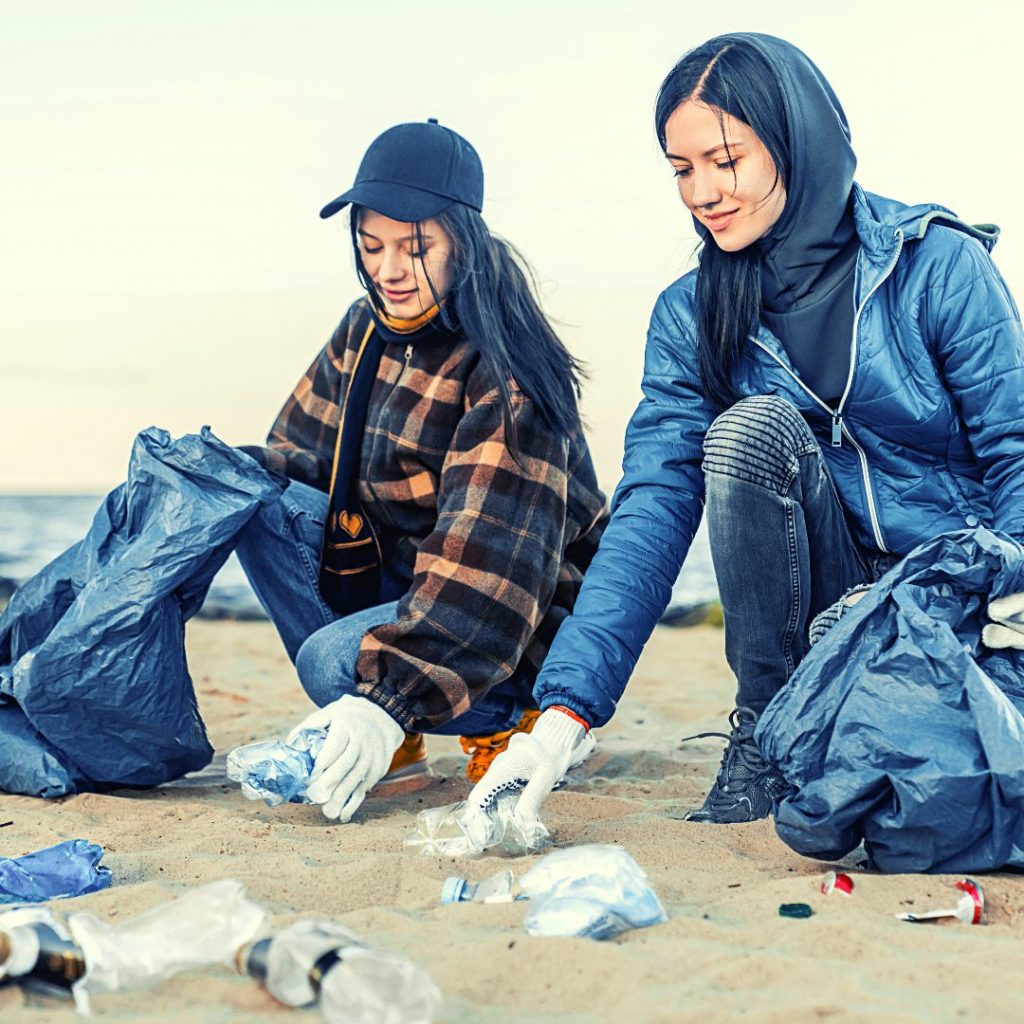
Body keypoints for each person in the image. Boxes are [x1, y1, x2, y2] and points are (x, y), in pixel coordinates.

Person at [468, 32, 1024, 826]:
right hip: (832, 591)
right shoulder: (689, 315)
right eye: (681, 169)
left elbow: (1015, 448)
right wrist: (561, 720)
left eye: (725, 160)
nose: (702, 192)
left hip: (951, 591)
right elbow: (653, 506)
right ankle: (764, 731)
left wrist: (1012, 590)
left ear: (797, 141)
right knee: (748, 430)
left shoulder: (935, 266)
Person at [235, 119, 607, 823]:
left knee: (328, 662)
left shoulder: (507, 369)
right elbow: (298, 459)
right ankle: (399, 740)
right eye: (371, 246)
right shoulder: (365, 327)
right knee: (255, 500)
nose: (389, 270)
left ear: (462, 242)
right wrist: (207, 475)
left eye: (415, 248)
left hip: (517, 617)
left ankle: (506, 720)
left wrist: (385, 697)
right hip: (412, 579)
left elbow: (487, 569)